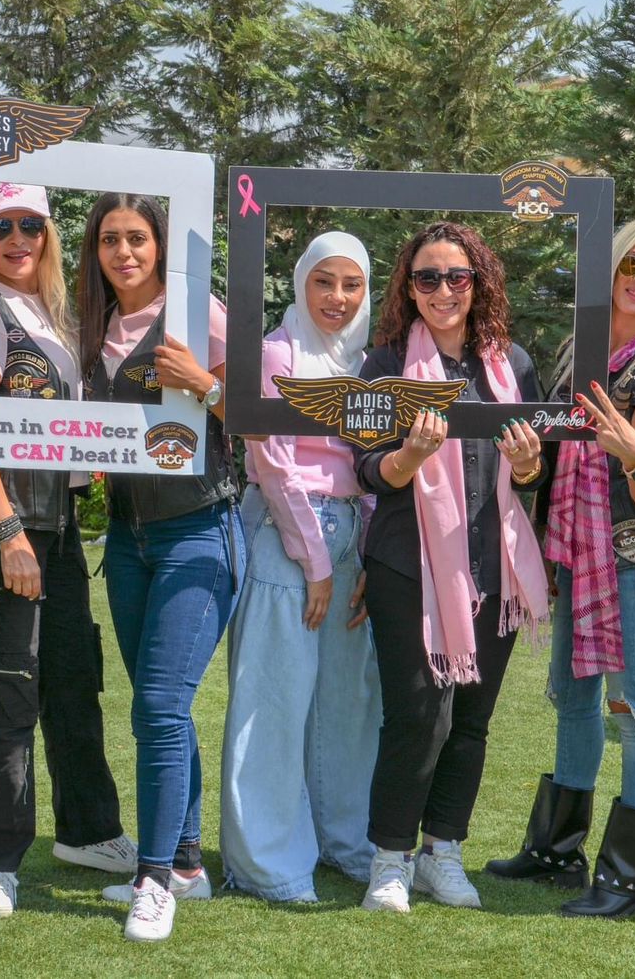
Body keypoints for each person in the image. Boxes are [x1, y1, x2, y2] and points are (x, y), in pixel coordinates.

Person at [484, 216, 635, 919]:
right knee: (571, 697)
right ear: (611, 265)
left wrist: (632, 454)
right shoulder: (579, 353)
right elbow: (546, 464)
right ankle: (556, 850)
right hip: (576, 551)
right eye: (634, 263)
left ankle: (631, 882)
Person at [0, 181, 134, 919]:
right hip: (5, 530)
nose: (17, 239)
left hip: (57, 527)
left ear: (49, 233)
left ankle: (88, 831)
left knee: (73, 680)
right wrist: (6, 533)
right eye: (0, 227)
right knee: (5, 689)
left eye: (30, 225)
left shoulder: (51, 311)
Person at [353, 220, 549, 914]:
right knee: (417, 717)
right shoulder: (383, 366)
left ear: (478, 283)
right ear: (409, 288)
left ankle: (444, 852)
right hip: (408, 567)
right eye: (428, 278)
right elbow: (367, 470)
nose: (443, 290)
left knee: (470, 720)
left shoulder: (512, 365)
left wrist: (528, 465)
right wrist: (407, 457)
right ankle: (389, 860)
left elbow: (532, 473)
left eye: (456, 276)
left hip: (493, 566)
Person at [77, 191, 241, 942]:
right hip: (127, 541)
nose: (124, 253)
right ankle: (185, 866)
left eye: (137, 238)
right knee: (160, 706)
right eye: (110, 239)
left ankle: (152, 881)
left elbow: (261, 417)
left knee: (160, 708)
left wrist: (207, 385)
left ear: (161, 245)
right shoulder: (93, 325)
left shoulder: (198, 312)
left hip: (200, 529)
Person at [219, 231, 380, 903]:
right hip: (287, 534)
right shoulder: (277, 353)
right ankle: (268, 863)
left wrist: (368, 550)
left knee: (349, 703)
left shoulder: (365, 362)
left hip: (350, 535)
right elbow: (272, 461)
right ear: (301, 282)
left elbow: (371, 460)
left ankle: (345, 840)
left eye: (352, 284)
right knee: (275, 698)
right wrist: (314, 558)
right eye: (324, 281)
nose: (337, 297)